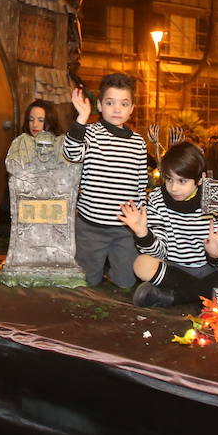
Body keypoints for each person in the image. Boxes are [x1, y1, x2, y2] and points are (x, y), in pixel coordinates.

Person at [63, 74, 148, 288]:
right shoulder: (91, 133)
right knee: (86, 280)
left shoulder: (138, 143)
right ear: (100, 105)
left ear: (131, 108)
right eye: (110, 103)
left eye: (124, 103)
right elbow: (71, 153)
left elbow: (140, 184)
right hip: (91, 226)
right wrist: (81, 119)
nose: (117, 109)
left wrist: (140, 218)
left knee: (126, 282)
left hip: (124, 229)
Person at [122, 142, 218, 308]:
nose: (173, 188)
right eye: (169, 179)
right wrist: (143, 234)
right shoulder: (158, 199)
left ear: (200, 179)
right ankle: (205, 291)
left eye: (182, 181)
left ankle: (174, 296)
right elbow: (160, 252)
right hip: (174, 268)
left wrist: (216, 254)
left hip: (209, 269)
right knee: (141, 264)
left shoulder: (215, 202)